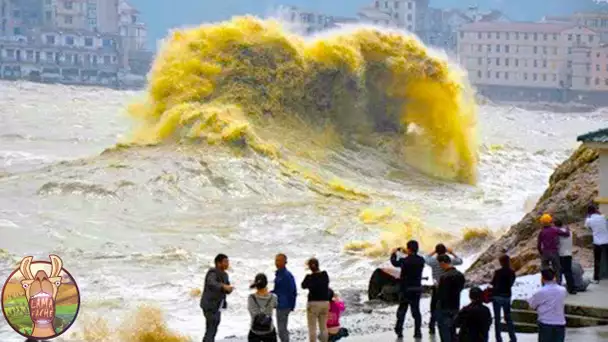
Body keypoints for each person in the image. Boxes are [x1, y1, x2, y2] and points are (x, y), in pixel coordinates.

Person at [424, 244, 464, 336]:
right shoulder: (449, 261)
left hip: (437, 287)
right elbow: (460, 261)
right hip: (449, 287)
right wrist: (452, 252)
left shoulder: (433, 261)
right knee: (449, 305)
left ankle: (432, 326)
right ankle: (451, 325)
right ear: (445, 251)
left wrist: (434, 251)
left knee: (434, 307)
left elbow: (425, 257)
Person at [390, 240, 426, 339]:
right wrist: (408, 252)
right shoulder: (421, 260)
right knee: (416, 311)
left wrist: (393, 253)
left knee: (402, 310)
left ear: (409, 249)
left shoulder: (404, 261)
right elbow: (414, 257)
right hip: (417, 289)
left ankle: (399, 331)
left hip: (405, 289)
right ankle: (417, 332)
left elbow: (394, 263)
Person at [528, 268, 567, 342]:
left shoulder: (540, 292)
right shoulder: (563, 290)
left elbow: (532, 305)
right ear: (554, 277)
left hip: (545, 323)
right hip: (560, 323)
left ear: (542, 278)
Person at [200, 254, 233, 342]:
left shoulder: (225, 275)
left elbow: (226, 287)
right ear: (218, 263)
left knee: (212, 328)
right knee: (211, 328)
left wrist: (229, 289)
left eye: (228, 262)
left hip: (218, 306)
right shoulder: (212, 272)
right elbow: (211, 282)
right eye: (225, 262)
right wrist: (223, 286)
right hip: (209, 305)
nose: (227, 264)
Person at [436, 254, 466, 342]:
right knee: (453, 330)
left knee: (445, 332)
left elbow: (441, 294)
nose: (440, 266)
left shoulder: (444, 277)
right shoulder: (460, 275)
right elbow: (460, 289)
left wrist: (438, 287)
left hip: (444, 307)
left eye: (440, 264)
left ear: (442, 263)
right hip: (455, 305)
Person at [302, 258, 330, 342]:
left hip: (313, 303)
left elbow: (303, 286)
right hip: (325, 302)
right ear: (318, 265)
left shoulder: (309, 277)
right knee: (323, 327)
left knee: (312, 328)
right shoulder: (325, 275)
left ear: (310, 267)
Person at [490, 254, 517, 342]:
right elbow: (511, 284)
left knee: (497, 319)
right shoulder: (512, 272)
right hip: (507, 296)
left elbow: (493, 283)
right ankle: (513, 338)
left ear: (501, 262)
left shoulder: (498, 272)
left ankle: (498, 339)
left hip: (497, 296)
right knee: (508, 318)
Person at [537, 214, 569, 283]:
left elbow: (539, 245)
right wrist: (567, 229)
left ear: (542, 223)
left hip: (545, 252)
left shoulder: (541, 232)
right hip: (554, 252)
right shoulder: (554, 229)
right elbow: (566, 234)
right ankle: (558, 284)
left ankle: (544, 284)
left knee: (544, 269)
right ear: (550, 221)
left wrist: (541, 253)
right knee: (557, 269)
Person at [272, 253, 297, 342]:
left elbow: (293, 291)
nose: (276, 262)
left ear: (285, 262)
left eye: (279, 260)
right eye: (276, 260)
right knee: (282, 328)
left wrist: (292, 306)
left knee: (282, 329)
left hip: (284, 305)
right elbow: (277, 290)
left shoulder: (286, 275)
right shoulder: (279, 274)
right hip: (280, 304)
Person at [248, 273, 279, 342]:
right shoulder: (273, 297)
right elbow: (275, 306)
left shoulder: (251, 298)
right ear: (266, 283)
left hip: (255, 330)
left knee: (251, 334)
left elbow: (251, 311)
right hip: (269, 330)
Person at [585, 205, 608, 283]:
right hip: (606, 241)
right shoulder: (603, 217)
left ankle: (596, 278)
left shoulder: (589, 220)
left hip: (597, 242)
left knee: (597, 260)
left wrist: (588, 216)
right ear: (596, 210)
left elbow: (587, 227)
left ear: (588, 212)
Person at [555, 218, 576, 294]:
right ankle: (572, 289)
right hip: (568, 254)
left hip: (561, 254)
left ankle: (558, 289)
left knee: (559, 272)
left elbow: (556, 243)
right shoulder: (570, 232)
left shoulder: (557, 233)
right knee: (568, 272)